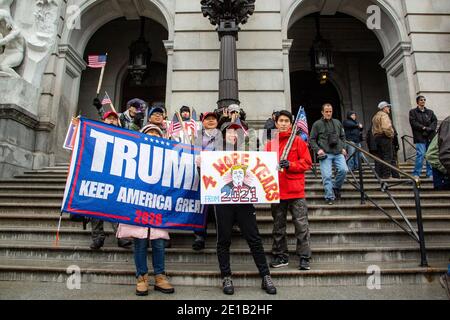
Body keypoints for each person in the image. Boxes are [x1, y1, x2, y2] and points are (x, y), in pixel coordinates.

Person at [211, 121, 277, 295]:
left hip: (245, 202)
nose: (234, 134)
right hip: (223, 202)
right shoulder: (213, 153)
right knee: (223, 240)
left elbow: (262, 173)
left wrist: (273, 167)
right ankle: (226, 276)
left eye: (237, 132)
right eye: (230, 132)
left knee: (254, 238)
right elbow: (206, 179)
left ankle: (265, 275)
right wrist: (199, 165)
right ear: (223, 135)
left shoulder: (249, 153)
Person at [116, 123, 175, 296]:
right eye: (150, 134)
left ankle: (160, 276)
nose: (153, 138)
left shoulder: (168, 158)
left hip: (157, 207)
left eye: (157, 135)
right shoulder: (132, 157)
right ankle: (141, 277)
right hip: (137, 204)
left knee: (158, 243)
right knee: (140, 243)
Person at [265, 110, 312, 270]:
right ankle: (280, 255)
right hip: (277, 191)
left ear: (291, 124)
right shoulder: (270, 144)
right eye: (281, 121)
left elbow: (307, 163)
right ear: (276, 123)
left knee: (301, 225)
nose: (284, 123)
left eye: (286, 121)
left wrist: (291, 165)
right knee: (278, 226)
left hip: (296, 191)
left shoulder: (298, 141)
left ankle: (304, 256)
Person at [90, 111, 133, 250]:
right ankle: (97, 237)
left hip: (116, 177)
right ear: (103, 120)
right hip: (98, 176)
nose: (112, 120)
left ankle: (121, 236)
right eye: (109, 118)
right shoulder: (95, 134)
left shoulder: (123, 136)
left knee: (116, 207)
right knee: (96, 208)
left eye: (114, 119)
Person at [191, 111, 222, 251]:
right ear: (203, 122)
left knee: (219, 208)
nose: (210, 121)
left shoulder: (223, 136)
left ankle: (220, 238)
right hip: (201, 175)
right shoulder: (196, 137)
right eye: (207, 119)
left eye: (213, 119)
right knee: (201, 207)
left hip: (220, 176)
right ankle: (199, 237)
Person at [310, 103, 348, 205]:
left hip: (338, 152)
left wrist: (343, 147)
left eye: (330, 111)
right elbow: (312, 140)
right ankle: (329, 197)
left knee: (344, 170)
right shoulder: (317, 124)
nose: (328, 113)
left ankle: (335, 187)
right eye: (326, 111)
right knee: (327, 175)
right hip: (325, 154)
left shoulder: (337, 122)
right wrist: (318, 150)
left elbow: (343, 137)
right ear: (322, 112)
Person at [409, 95, 438, 179]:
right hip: (419, 137)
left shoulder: (430, 112)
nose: (423, 101)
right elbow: (413, 123)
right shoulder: (413, 112)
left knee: (429, 155)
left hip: (430, 136)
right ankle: (416, 173)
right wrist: (423, 128)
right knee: (420, 154)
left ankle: (430, 173)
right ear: (417, 102)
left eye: (424, 100)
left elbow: (434, 121)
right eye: (421, 100)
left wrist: (430, 128)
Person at [371, 101, 395, 179]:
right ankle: (386, 175)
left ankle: (381, 174)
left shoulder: (375, 116)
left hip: (377, 137)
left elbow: (373, 129)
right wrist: (391, 134)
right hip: (385, 137)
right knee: (387, 156)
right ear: (384, 108)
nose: (389, 108)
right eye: (388, 107)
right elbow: (386, 128)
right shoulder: (384, 115)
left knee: (381, 156)